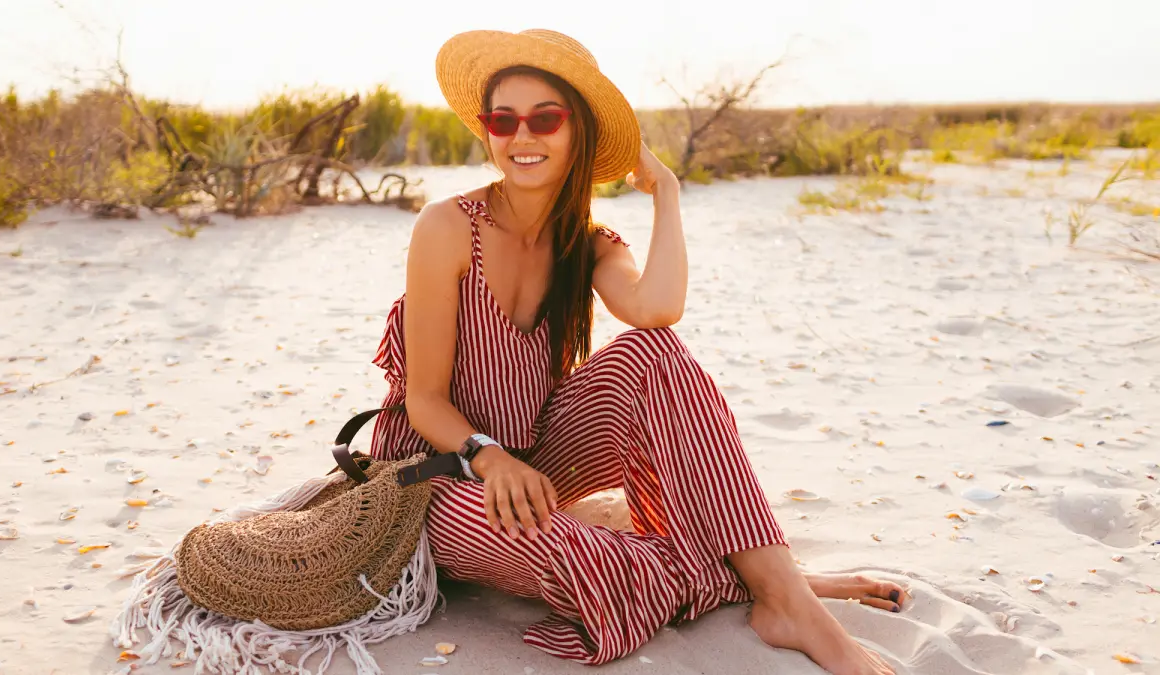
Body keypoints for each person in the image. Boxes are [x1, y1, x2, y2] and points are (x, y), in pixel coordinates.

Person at [367, 28, 905, 675]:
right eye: (502, 120)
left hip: (537, 460)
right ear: (486, 131)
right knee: (583, 556)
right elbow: (423, 399)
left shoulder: (588, 241)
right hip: (445, 477)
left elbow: (657, 309)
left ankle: (783, 594)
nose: (522, 137)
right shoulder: (446, 228)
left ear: (578, 132)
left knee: (653, 350)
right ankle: (770, 580)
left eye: (545, 118)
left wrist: (667, 193)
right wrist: (491, 458)